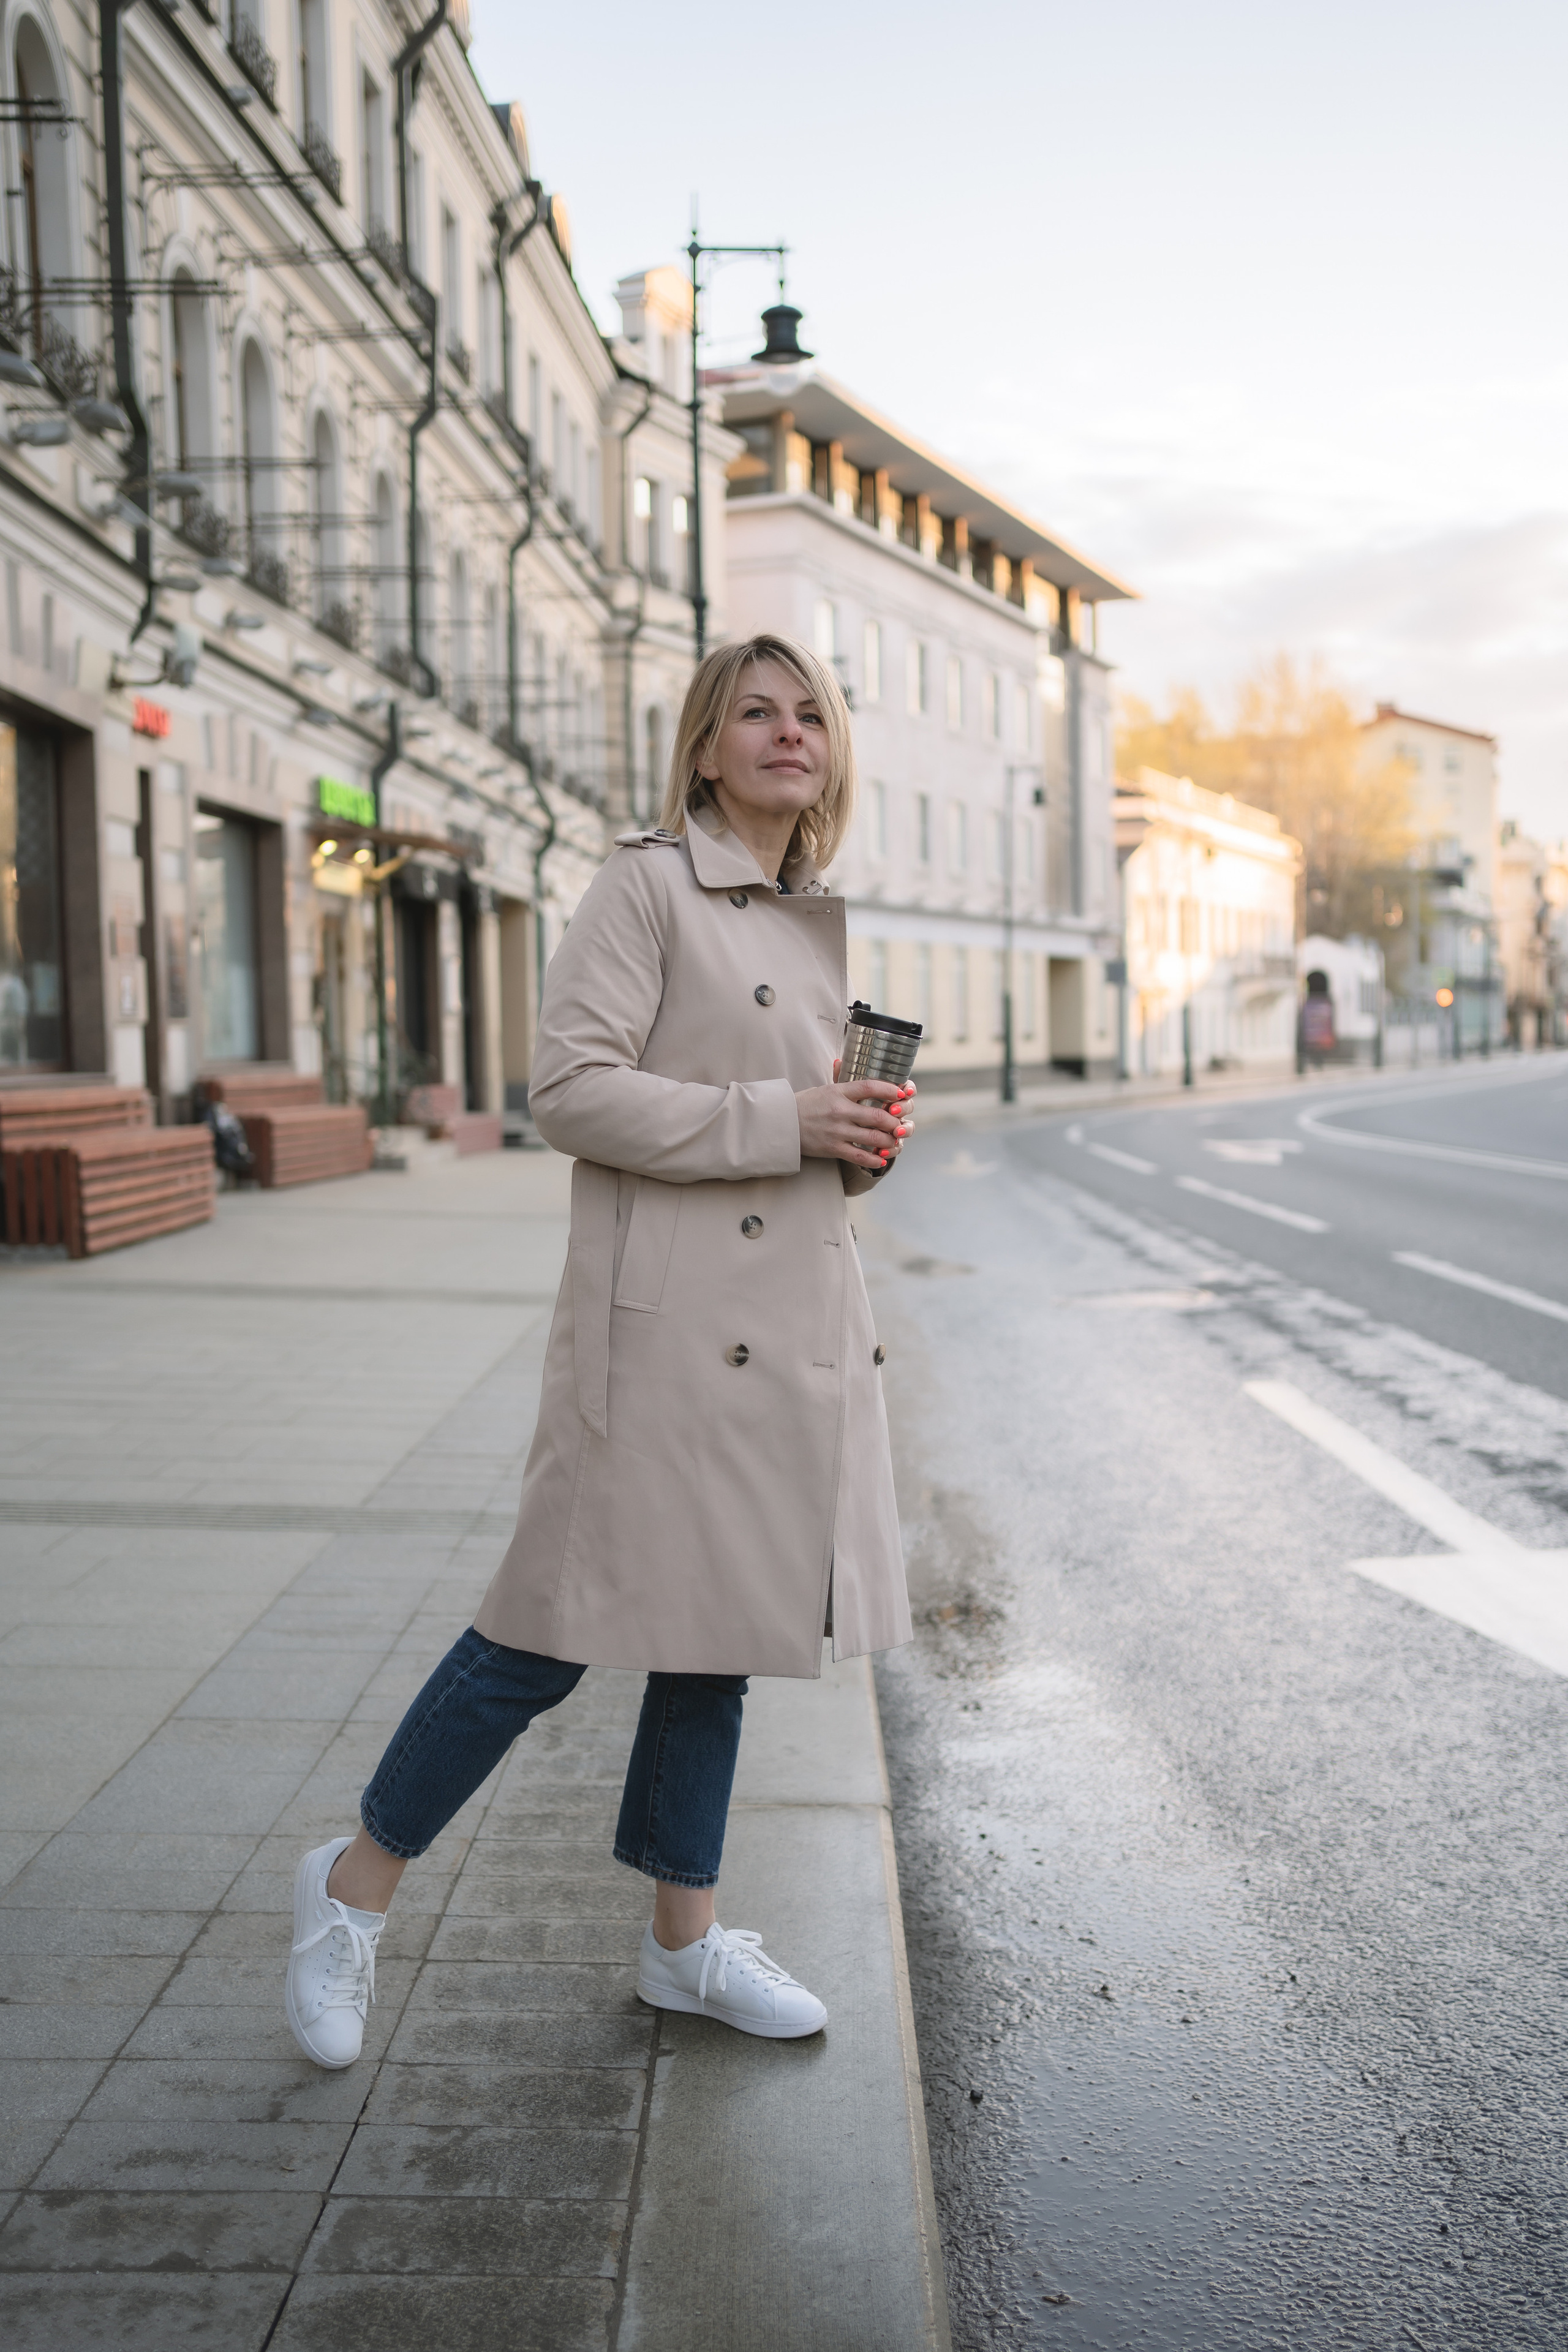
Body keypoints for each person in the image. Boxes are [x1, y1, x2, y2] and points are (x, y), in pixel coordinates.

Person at [285, 633, 916, 2067]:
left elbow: (798, 1132)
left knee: (720, 1649)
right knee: (540, 1635)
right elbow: (567, 1091)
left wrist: (856, 1142)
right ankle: (347, 1889)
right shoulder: (645, 885)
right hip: (657, 1337)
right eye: (753, 712)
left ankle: (681, 1951)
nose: (786, 731)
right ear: (703, 748)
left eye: (807, 712)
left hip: (784, 1333)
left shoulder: (808, 912)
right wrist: (783, 1122)